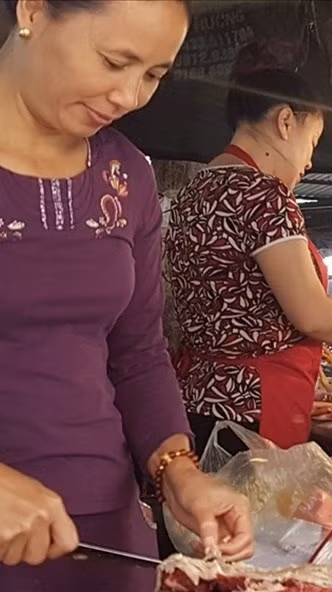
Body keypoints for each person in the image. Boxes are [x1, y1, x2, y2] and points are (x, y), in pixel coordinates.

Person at [0, 1, 252, 590]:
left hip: (105, 532)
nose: (129, 96)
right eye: (115, 61)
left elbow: (138, 351)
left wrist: (177, 469)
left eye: (153, 75)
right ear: (33, 10)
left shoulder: (126, 174)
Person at [165, 46, 332, 455]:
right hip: (253, 411)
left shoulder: (193, 193)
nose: (309, 161)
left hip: (196, 402)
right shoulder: (263, 194)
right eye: (313, 141)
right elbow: (312, 313)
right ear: (286, 121)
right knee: (254, 519)